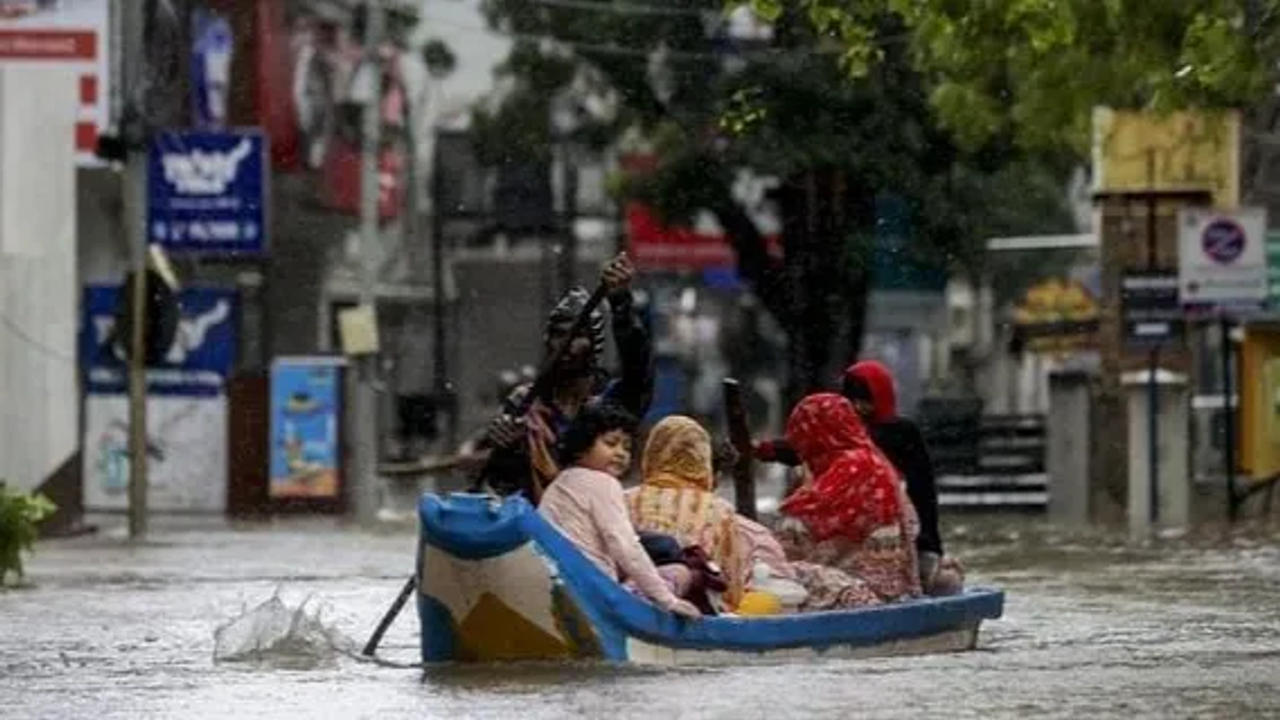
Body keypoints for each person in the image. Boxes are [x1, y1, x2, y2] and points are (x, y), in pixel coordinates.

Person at [755, 360, 962, 595]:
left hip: (882, 548)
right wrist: (765, 449)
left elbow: (923, 489)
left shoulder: (865, 451)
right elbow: (804, 446)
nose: (856, 408)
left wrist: (928, 542)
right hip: (887, 539)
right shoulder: (851, 444)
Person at [480, 252, 653, 503]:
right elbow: (503, 485)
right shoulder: (525, 404)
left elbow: (640, 369)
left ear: (594, 346)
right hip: (540, 525)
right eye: (558, 335)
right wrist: (508, 449)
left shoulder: (610, 404)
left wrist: (620, 303)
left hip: (600, 522)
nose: (566, 343)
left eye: (577, 335)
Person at [538, 403, 701, 619]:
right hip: (594, 593)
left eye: (626, 447)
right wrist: (668, 601)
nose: (620, 453)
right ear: (581, 447)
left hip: (555, 587)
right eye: (611, 443)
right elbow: (625, 545)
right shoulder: (603, 483)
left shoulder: (560, 482)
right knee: (679, 573)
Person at [774, 393, 923, 604]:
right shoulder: (874, 458)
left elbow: (803, 520)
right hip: (894, 588)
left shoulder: (853, 466)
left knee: (782, 552)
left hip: (862, 591)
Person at [626, 415, 750, 608]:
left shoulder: (624, 499)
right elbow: (732, 591)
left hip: (630, 602)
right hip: (697, 610)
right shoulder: (719, 510)